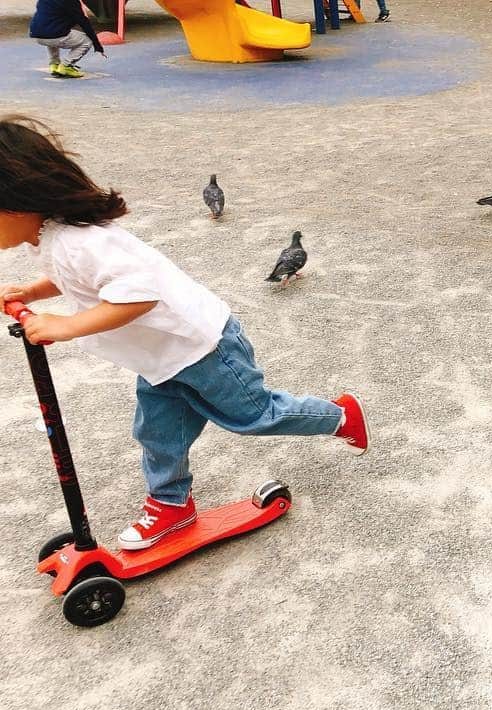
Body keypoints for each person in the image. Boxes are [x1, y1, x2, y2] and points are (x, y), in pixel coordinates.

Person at [0, 116, 371, 550]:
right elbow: (84, 280)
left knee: (254, 417)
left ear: (16, 206)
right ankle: (171, 505)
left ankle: (341, 415)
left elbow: (136, 297)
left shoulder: (79, 241)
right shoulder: (56, 238)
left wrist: (64, 326)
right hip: (160, 359)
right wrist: (33, 291)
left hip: (203, 348)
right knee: (157, 433)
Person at [28, 0, 104, 79]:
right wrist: (97, 45)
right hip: (53, 34)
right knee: (87, 41)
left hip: (36, 33)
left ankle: (54, 64)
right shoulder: (70, 2)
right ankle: (66, 65)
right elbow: (83, 22)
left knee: (52, 33)